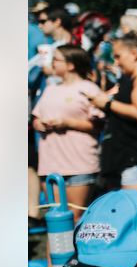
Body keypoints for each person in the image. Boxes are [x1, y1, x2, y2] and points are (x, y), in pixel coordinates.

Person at [31, 45, 105, 216]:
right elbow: (36, 118)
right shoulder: (50, 89)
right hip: (50, 164)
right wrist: (39, 125)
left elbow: (98, 126)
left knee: (74, 217)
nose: (52, 63)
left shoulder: (89, 89)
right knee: (55, 218)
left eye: (56, 59)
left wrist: (67, 123)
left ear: (71, 65)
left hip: (79, 164)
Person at [90, 34, 137, 196]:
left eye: (118, 56)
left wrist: (108, 104)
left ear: (135, 54)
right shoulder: (128, 80)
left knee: (135, 215)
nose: (116, 62)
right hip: (122, 158)